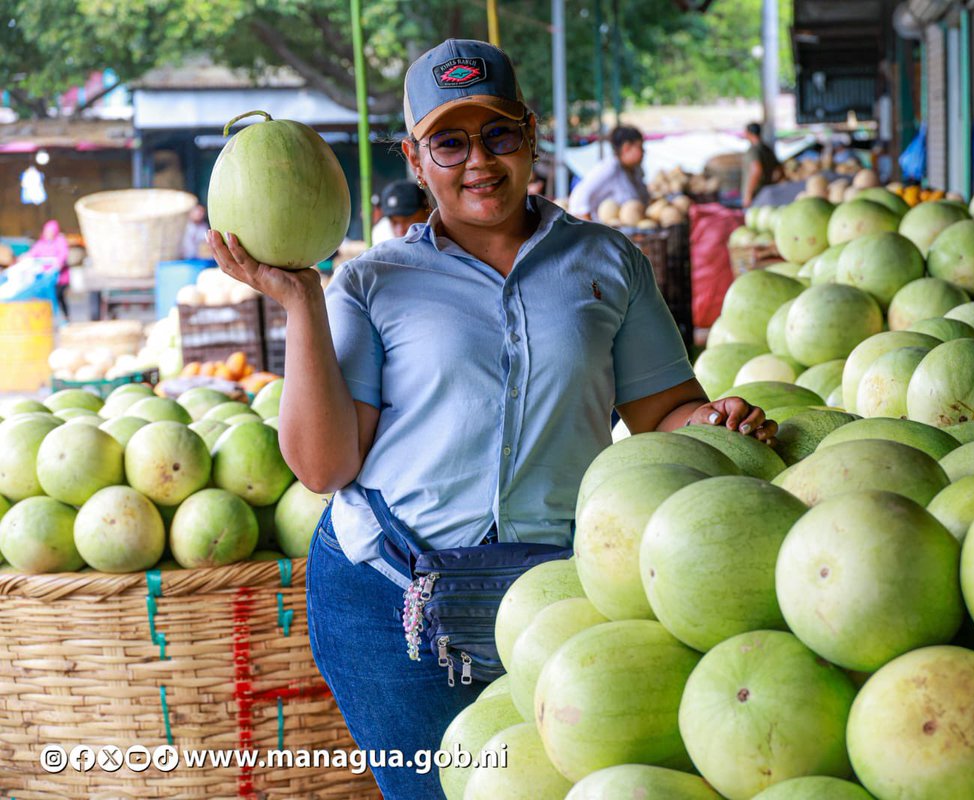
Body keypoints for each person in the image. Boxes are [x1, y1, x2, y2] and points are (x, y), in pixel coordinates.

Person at [207, 38, 776, 799]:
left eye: (498, 133)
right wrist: (301, 300)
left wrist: (713, 420)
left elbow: (661, 418)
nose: (479, 160)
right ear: (415, 158)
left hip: (556, 595)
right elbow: (324, 467)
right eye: (450, 141)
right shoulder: (369, 283)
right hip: (385, 601)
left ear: (530, 133)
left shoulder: (610, 262)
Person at [567, 125, 650, 219]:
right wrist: (588, 226)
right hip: (606, 230)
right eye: (640, 147)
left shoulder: (635, 170)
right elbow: (579, 195)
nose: (644, 152)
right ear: (626, 148)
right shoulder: (609, 168)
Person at [25, 219, 71, 317]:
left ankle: (64, 318)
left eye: (50, 232)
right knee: (45, 297)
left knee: (58, 297)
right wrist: (24, 258)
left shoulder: (60, 241)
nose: (48, 234)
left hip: (60, 278)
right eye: (46, 232)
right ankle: (51, 317)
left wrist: (58, 264)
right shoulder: (42, 243)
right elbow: (33, 253)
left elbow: (63, 254)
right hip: (45, 277)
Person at [370, 180, 432, 244]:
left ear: (427, 210)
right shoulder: (382, 233)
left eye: (407, 220)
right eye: (395, 222)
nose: (400, 231)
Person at [742, 122, 782, 208]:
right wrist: (773, 183)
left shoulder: (754, 150)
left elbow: (756, 170)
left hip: (756, 195)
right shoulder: (767, 149)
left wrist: (748, 194)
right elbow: (779, 169)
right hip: (768, 192)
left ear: (749, 133)